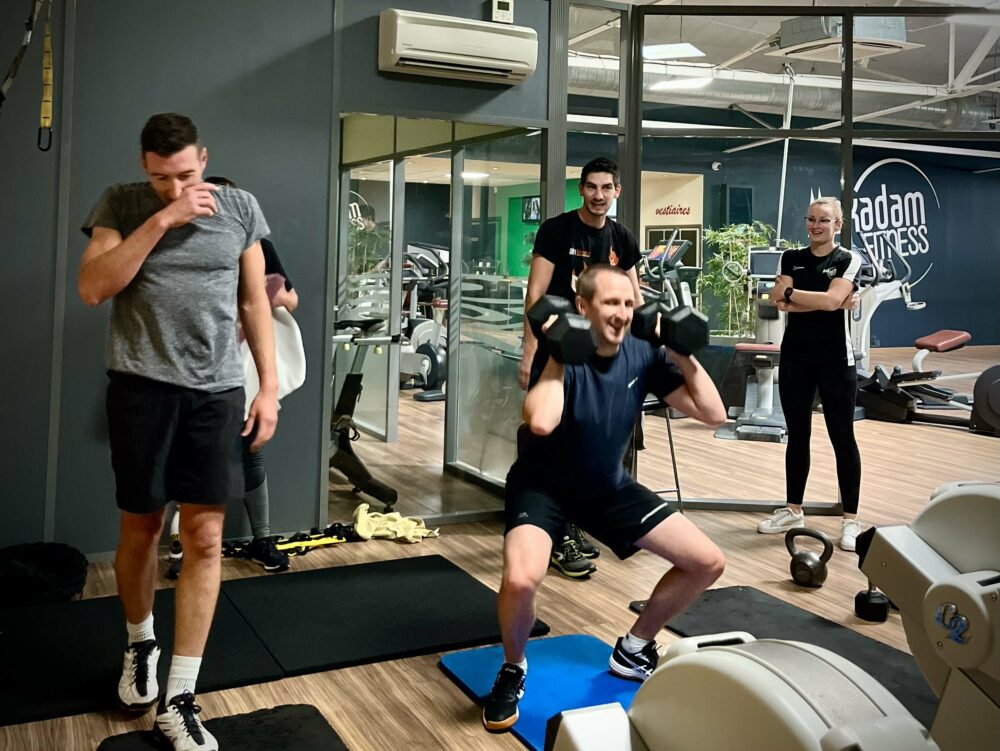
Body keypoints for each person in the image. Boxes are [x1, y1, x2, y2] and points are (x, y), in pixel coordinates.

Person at [78, 113, 278, 751]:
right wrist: (163, 219)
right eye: (163, 176)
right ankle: (141, 646)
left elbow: (254, 302)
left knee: (207, 535)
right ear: (145, 165)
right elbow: (93, 287)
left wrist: (266, 387)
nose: (175, 185)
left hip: (216, 390)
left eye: (186, 174)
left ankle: (182, 696)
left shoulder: (241, 207)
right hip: (141, 387)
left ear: (204, 158)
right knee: (141, 526)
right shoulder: (123, 204)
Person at [483, 264, 727, 733]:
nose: (621, 313)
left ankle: (634, 648)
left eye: (629, 304)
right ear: (582, 307)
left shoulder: (643, 353)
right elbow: (540, 422)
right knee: (520, 579)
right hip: (543, 486)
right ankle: (514, 668)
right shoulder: (560, 358)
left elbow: (713, 413)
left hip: (607, 488)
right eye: (610, 303)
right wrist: (558, 355)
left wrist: (683, 355)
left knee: (707, 561)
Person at [519, 157, 646, 579]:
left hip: (604, 360)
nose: (598, 195)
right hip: (561, 355)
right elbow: (536, 296)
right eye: (591, 187)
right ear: (581, 190)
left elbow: (635, 297)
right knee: (551, 441)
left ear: (617, 191)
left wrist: (642, 352)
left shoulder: (622, 237)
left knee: (589, 440)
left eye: (606, 188)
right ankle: (555, 532)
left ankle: (572, 522)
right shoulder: (556, 230)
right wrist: (529, 352)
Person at [205, 175, 300, 573]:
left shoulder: (258, 244)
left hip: (244, 363)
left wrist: (265, 293)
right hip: (201, 363)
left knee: (250, 450)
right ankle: (184, 546)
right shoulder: (193, 243)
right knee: (199, 454)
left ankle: (262, 538)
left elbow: (289, 298)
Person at [758, 197, 864, 551]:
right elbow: (781, 304)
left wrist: (791, 293)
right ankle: (793, 510)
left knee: (842, 438)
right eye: (811, 219)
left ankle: (850, 519)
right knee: (797, 435)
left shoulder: (848, 259)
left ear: (838, 224)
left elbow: (830, 302)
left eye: (824, 220)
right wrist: (807, 298)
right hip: (796, 358)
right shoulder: (791, 257)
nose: (816, 225)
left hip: (836, 361)